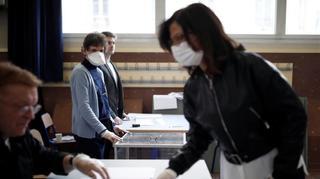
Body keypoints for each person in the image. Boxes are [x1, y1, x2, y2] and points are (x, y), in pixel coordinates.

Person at [156, 3, 307, 179]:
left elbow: (294, 118)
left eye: (181, 38)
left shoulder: (250, 67)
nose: (177, 47)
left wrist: (283, 170)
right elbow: (199, 138)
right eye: (173, 42)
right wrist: (172, 170)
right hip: (232, 168)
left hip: (272, 162)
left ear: (203, 32)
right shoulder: (194, 88)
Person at [0, 62, 109, 179]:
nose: (31, 116)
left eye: (33, 107)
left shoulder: (17, 135)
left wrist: (75, 161)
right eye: (22, 107)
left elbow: (43, 156)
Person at [70, 32, 125, 159]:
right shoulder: (80, 72)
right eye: (93, 50)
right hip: (88, 134)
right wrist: (104, 131)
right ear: (84, 51)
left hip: (101, 130)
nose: (98, 54)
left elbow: (104, 104)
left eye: (101, 50)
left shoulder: (99, 72)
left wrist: (112, 126)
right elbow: (84, 107)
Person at [99, 31, 127, 122]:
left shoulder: (111, 64)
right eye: (108, 43)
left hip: (116, 114)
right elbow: (101, 96)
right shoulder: (98, 66)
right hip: (105, 116)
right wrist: (113, 116)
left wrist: (120, 112)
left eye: (113, 43)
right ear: (101, 45)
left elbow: (115, 92)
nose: (112, 45)